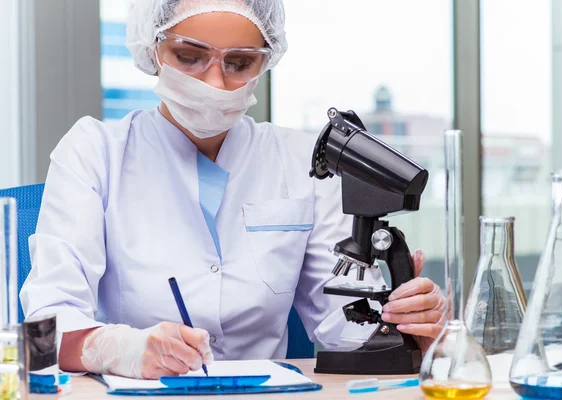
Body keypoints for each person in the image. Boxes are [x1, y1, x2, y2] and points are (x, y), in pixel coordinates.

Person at [20, 0, 446, 380]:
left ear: (265, 61)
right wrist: (117, 349)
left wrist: (407, 321)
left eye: (239, 63)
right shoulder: (95, 153)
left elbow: (344, 328)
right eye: (189, 57)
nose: (215, 84)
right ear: (153, 48)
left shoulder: (302, 163)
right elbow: (44, 325)